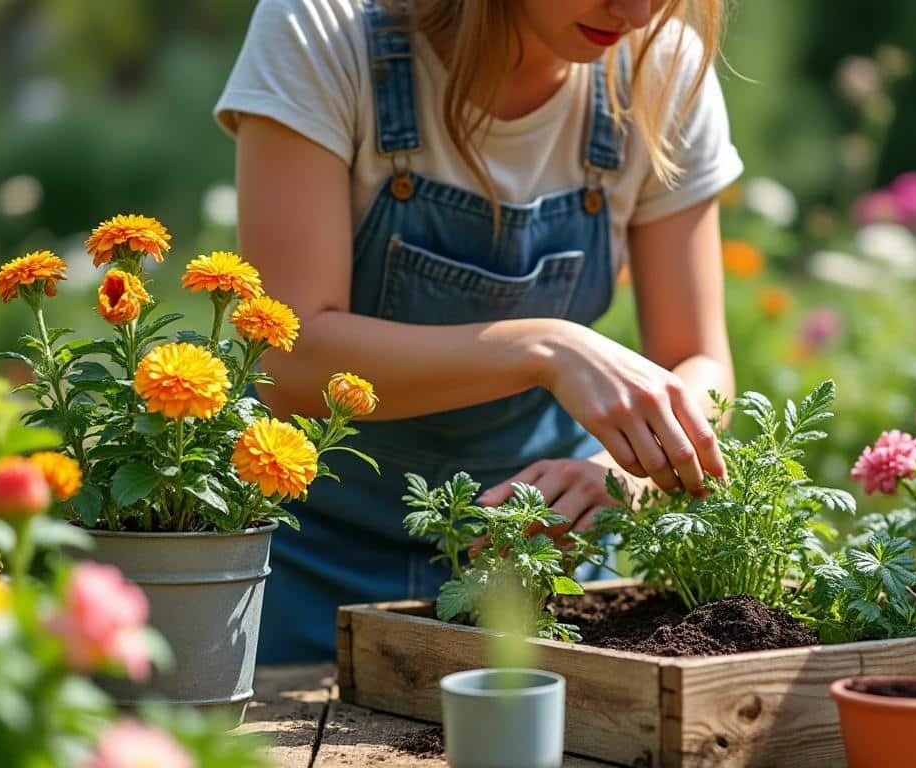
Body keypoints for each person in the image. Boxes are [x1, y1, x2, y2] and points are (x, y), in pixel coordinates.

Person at [215, 0, 741, 663]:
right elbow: (289, 362)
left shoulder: (659, 70)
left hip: (538, 576)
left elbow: (700, 362)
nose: (636, 12)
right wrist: (546, 348)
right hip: (306, 563)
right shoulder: (324, 26)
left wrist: (611, 479)